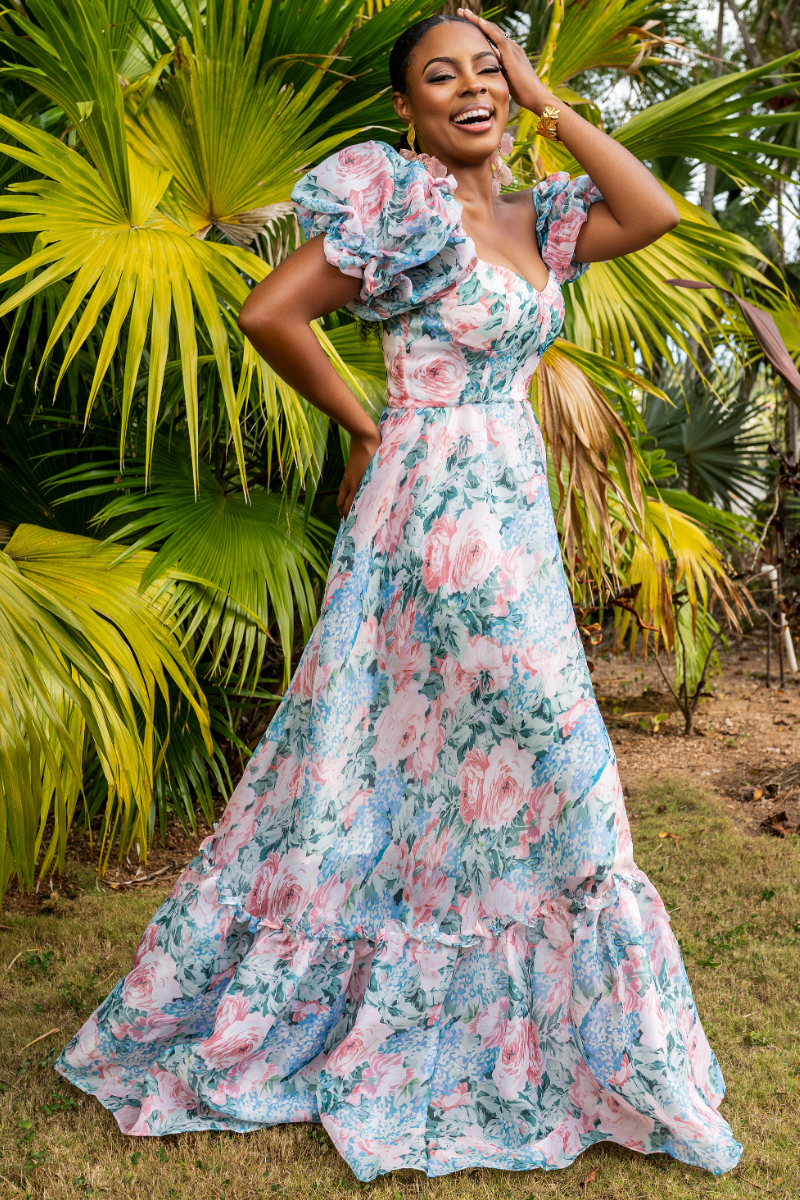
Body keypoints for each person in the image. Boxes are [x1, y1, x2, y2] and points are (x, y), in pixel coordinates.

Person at [56, 11, 742, 1182]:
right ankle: (462, 1029)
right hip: (434, 520)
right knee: (553, 760)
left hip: (511, 513)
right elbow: (268, 312)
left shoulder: (540, 219)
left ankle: (496, 1028)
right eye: (441, 75)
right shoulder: (403, 213)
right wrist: (370, 424)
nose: (471, 88)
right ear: (406, 110)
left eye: (487, 69)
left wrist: (546, 100)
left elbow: (654, 212)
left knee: (410, 772)